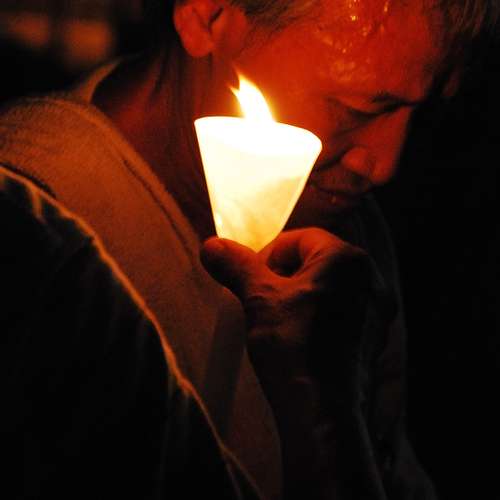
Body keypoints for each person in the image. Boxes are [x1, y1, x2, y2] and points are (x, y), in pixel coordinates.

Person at [0, 0, 496, 498]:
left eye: (420, 110)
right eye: (358, 108)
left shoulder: (336, 225)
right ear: (208, 17)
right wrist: (324, 426)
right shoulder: (40, 246)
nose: (385, 164)